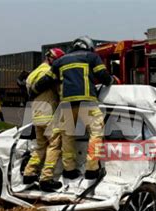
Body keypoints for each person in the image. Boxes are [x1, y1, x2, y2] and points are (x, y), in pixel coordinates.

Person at [34, 36, 115, 191]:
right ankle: (92, 169)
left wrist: (34, 90)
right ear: (88, 47)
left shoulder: (60, 61)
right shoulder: (91, 57)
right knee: (96, 133)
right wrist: (111, 81)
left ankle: (69, 170)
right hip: (87, 103)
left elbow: (46, 80)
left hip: (66, 105)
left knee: (67, 137)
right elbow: (103, 76)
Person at [23, 48, 65, 192]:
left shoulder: (33, 73)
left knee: (40, 146)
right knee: (54, 145)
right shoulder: (48, 73)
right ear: (51, 59)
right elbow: (59, 92)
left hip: (36, 116)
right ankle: (46, 178)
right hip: (48, 115)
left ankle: (29, 173)